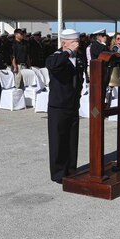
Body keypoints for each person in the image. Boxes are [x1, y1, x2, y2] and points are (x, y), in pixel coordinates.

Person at [45, 29, 84, 184]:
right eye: (74, 42)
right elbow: (53, 65)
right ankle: (58, 173)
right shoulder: (56, 57)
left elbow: (80, 79)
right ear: (64, 42)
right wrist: (67, 51)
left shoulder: (78, 59)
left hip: (73, 103)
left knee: (71, 139)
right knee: (58, 140)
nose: (77, 45)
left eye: (77, 42)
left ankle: (71, 169)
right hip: (58, 105)